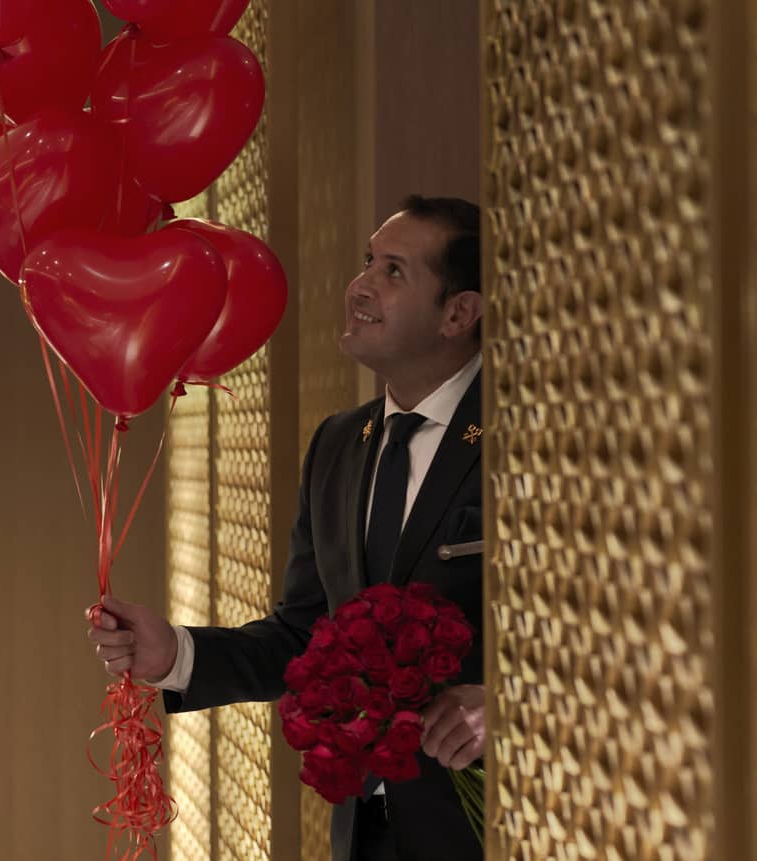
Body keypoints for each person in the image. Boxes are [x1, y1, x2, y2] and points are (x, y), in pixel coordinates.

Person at [87, 195, 487, 861]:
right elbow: (306, 636)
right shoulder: (338, 444)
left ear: (459, 313)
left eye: (393, 271)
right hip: (367, 834)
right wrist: (177, 654)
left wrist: (510, 703)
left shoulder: (529, 432)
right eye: (366, 262)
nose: (359, 286)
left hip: (498, 826)